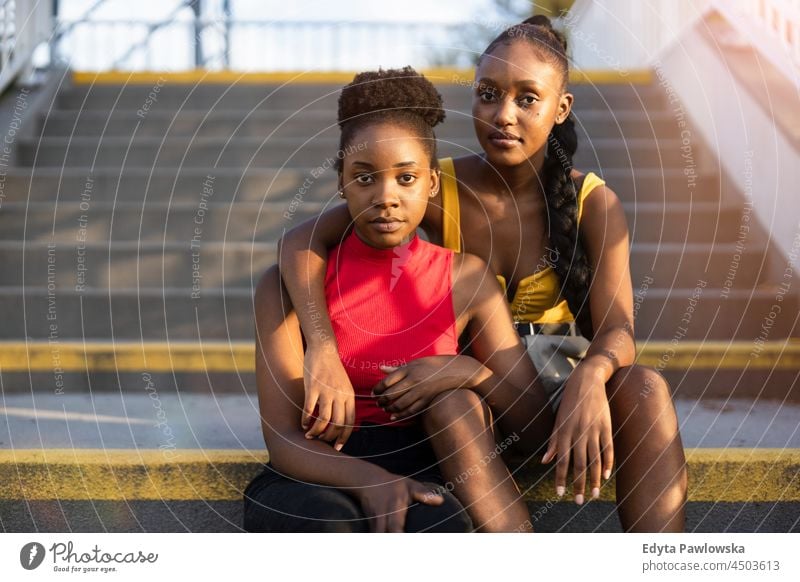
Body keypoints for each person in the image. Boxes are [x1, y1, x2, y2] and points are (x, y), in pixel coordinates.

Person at [276, 16, 688, 532]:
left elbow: (619, 329)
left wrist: (592, 373)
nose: (503, 115)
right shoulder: (433, 185)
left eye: (527, 99)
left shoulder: (593, 202)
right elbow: (301, 240)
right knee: (455, 405)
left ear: (561, 109)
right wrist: (322, 344)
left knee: (646, 388)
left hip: (559, 393)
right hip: (466, 396)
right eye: (488, 94)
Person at [245, 67, 552, 533]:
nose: (386, 197)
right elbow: (284, 440)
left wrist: (470, 370)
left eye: (405, 179)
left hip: (426, 463)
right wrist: (371, 479)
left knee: (442, 527)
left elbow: (533, 429)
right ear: (342, 184)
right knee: (327, 527)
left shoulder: (466, 277)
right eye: (364, 178)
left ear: (431, 184)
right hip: (317, 470)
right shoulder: (284, 287)